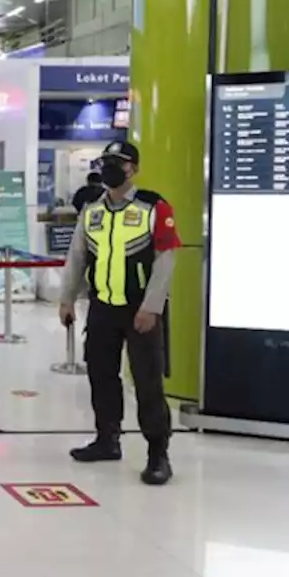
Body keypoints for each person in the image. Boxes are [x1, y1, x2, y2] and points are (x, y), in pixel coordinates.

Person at [59, 140, 179, 485]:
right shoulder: (92, 211)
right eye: (108, 162)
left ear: (134, 169)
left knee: (147, 382)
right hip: (102, 308)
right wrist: (67, 298)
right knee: (102, 376)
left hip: (140, 312)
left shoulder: (153, 207)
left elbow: (166, 260)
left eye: (120, 163)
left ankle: (158, 453)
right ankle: (106, 439)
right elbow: (77, 257)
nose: (112, 168)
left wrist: (151, 307)